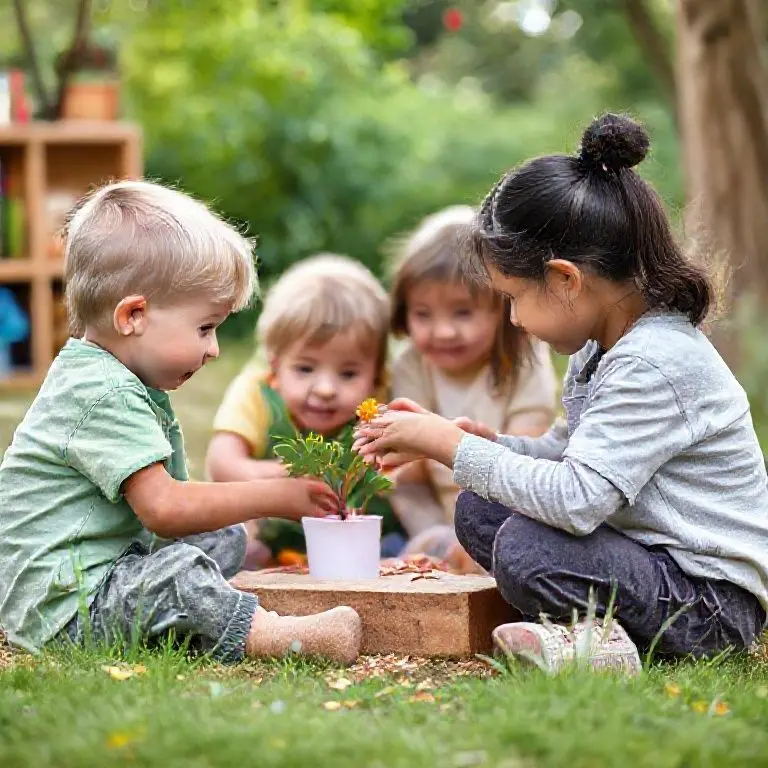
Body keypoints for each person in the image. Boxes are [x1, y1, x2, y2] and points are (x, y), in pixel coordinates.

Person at [354, 113, 768, 674]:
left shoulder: (653, 362)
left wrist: (450, 448)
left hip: (708, 602)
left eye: (515, 296)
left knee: (528, 548)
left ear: (566, 280)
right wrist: (475, 440)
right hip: (652, 563)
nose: (514, 318)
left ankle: (603, 646)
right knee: (480, 509)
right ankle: (592, 631)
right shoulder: (601, 347)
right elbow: (568, 453)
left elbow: (575, 501)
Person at [0, 181, 362, 664]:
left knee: (223, 537)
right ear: (134, 315)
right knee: (180, 573)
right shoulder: (101, 391)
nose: (213, 350)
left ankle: (211, 609)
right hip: (65, 609)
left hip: (99, 572)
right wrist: (279, 496)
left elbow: (177, 515)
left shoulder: (115, 376)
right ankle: (275, 636)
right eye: (205, 328)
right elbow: (165, 509)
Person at [206, 254, 406, 567]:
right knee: (234, 540)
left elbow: (406, 470)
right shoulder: (256, 393)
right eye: (305, 369)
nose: (325, 389)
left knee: (401, 545)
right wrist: (281, 476)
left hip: (365, 547)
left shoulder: (381, 401)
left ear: (377, 375)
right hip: (273, 541)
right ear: (275, 365)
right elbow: (221, 463)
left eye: (348, 373)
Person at [387, 205, 556, 571]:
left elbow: (530, 451)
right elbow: (410, 467)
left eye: (462, 312)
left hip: (508, 507)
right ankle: (435, 550)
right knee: (404, 492)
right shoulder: (412, 362)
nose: (444, 331)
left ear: (503, 308)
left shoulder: (525, 356)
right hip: (435, 514)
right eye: (423, 314)